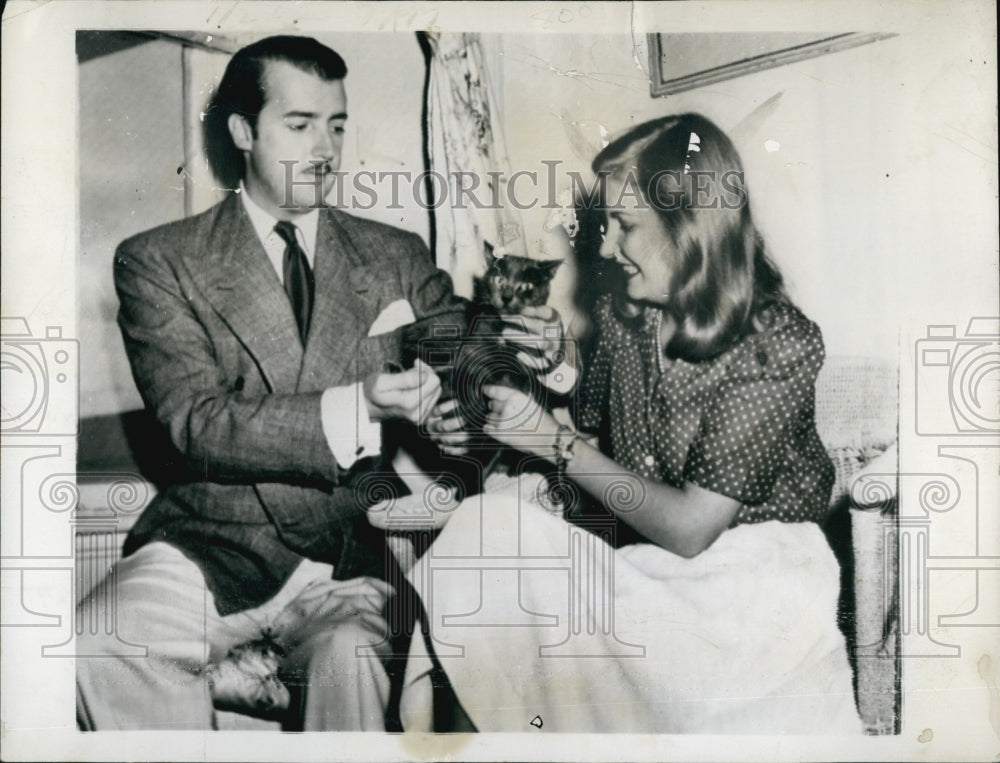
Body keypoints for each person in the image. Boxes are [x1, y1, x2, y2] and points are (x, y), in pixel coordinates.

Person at [76, 35, 507, 731]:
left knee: (354, 657)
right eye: (300, 125)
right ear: (243, 132)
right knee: (102, 641)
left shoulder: (393, 254)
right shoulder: (160, 261)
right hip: (205, 547)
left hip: (342, 556)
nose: (326, 148)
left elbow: (469, 361)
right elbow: (198, 421)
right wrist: (358, 405)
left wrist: (470, 401)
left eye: (336, 124)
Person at [399, 113, 862, 734]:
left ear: (691, 227)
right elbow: (594, 444)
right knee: (482, 533)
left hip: (751, 595)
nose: (607, 250)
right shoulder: (628, 319)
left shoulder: (777, 342)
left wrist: (549, 440)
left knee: (496, 562)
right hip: (648, 571)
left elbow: (691, 529)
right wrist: (503, 407)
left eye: (624, 226)